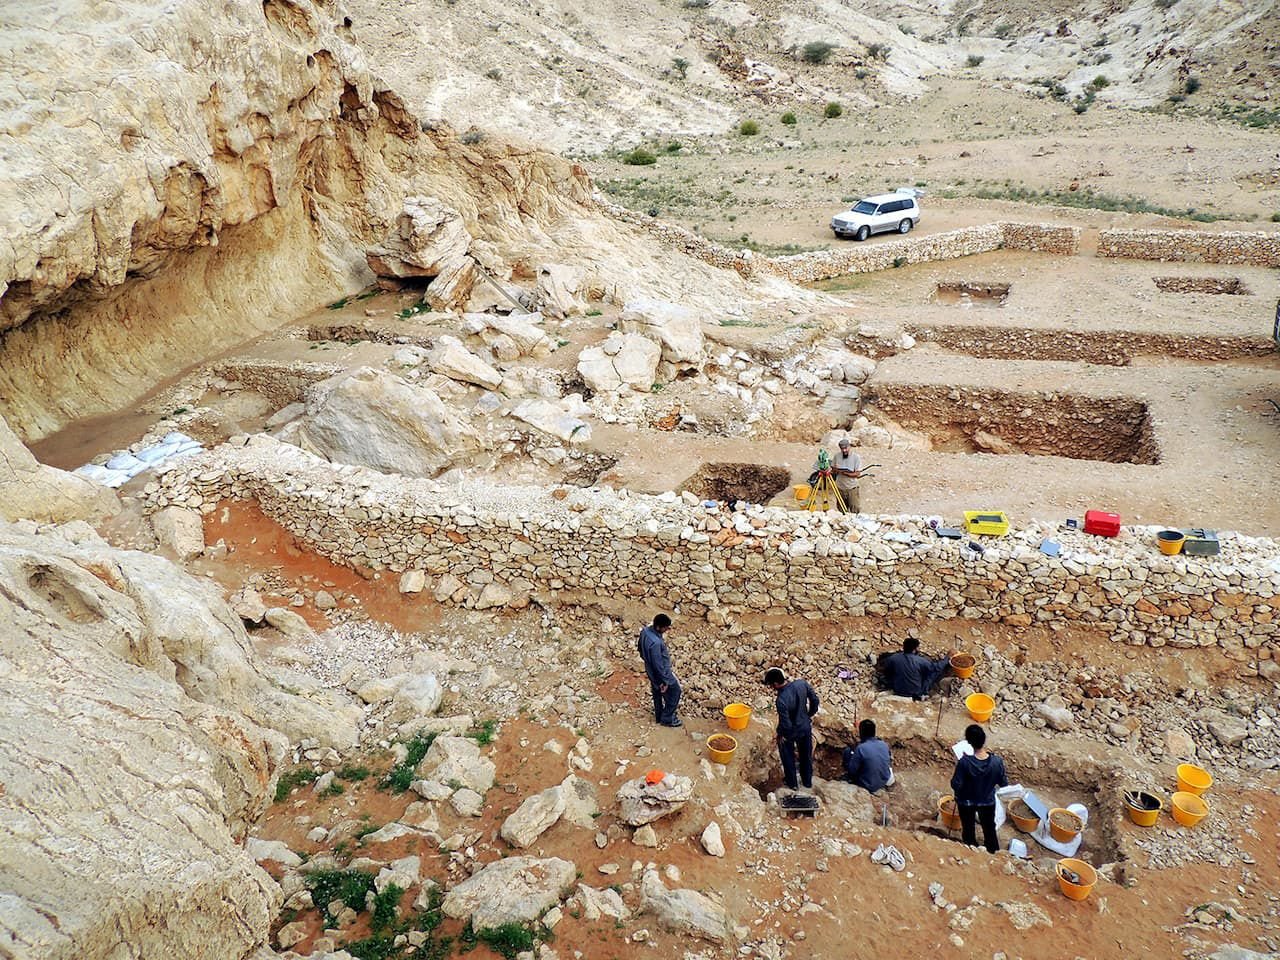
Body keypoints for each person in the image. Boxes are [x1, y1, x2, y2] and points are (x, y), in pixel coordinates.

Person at [950, 723, 1008, 854]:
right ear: (984, 740)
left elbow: (955, 784)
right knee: (989, 828)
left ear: (969, 743)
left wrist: (960, 765)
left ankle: (971, 850)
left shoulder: (964, 762)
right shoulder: (997, 762)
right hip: (987, 801)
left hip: (966, 802)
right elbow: (1003, 783)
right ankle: (993, 851)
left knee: (968, 827)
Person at [764, 667, 820, 794]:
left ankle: (792, 784)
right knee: (806, 754)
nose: (772, 688)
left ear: (776, 684)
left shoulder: (781, 700)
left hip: (791, 731)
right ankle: (807, 781)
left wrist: (783, 735)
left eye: (772, 685)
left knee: (787, 756)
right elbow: (815, 700)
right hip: (805, 727)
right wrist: (809, 714)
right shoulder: (802, 683)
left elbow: (786, 724)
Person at [638, 614, 682, 727]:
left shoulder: (645, 631)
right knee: (675, 691)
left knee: (657, 691)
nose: (667, 629)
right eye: (665, 627)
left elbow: (640, 649)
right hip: (661, 673)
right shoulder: (656, 643)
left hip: (650, 669)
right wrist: (665, 681)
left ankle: (659, 715)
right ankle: (667, 718)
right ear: (658, 627)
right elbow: (658, 665)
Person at [882, 637, 951, 700]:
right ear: (914, 649)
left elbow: (886, 668)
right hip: (915, 692)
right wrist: (947, 657)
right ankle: (924, 692)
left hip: (898, 690)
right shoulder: (919, 660)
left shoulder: (893, 658)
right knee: (933, 672)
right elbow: (936, 667)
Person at [843, 718, 895, 793]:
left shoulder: (861, 748)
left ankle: (848, 779)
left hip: (867, 785)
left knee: (848, 752)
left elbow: (852, 770)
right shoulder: (883, 744)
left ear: (861, 733)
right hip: (884, 780)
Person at [832, 437, 863, 513]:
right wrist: (836, 470)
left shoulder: (856, 457)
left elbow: (858, 473)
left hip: (851, 487)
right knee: (841, 509)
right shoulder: (837, 456)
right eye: (842, 449)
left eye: (846, 448)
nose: (844, 450)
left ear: (849, 447)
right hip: (840, 487)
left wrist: (846, 473)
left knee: (855, 509)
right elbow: (833, 469)